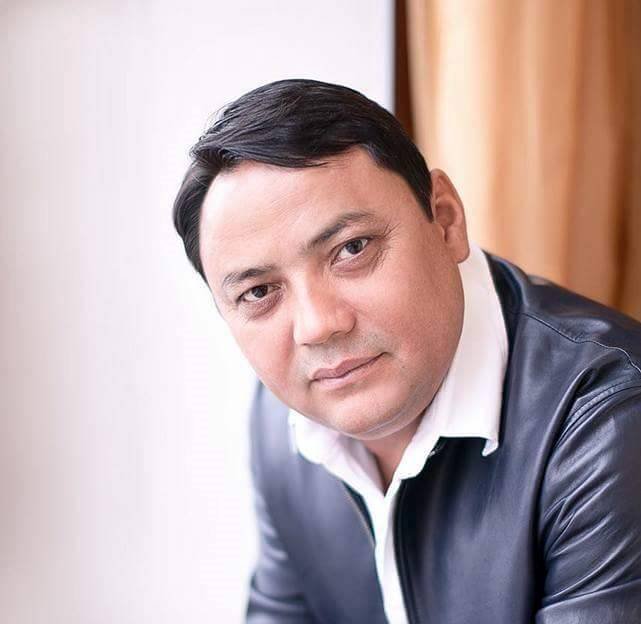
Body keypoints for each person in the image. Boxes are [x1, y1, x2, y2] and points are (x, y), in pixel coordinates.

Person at [172, 79, 641, 623]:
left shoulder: (609, 420)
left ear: (445, 219)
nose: (318, 326)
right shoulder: (281, 422)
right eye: (258, 293)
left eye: (351, 249)